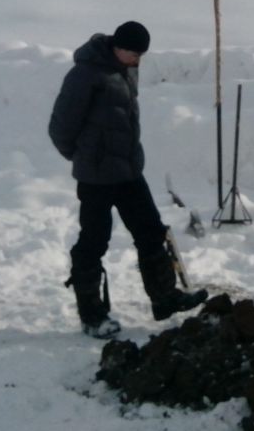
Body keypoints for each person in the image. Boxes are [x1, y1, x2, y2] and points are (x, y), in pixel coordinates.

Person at [49, 20, 207, 338]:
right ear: (117, 47)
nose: (138, 60)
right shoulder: (85, 74)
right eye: (134, 53)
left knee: (150, 230)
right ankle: (93, 316)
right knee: (94, 241)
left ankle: (164, 298)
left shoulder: (123, 70)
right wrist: (82, 156)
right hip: (96, 177)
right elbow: (61, 126)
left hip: (128, 171)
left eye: (141, 55)